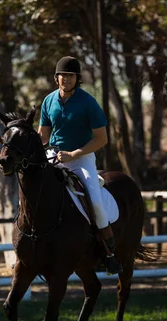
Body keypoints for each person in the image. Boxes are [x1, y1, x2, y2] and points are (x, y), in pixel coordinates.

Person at [38, 55, 122, 275]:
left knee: (95, 202)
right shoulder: (48, 101)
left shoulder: (88, 103)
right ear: (56, 78)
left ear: (77, 78)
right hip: (53, 157)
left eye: (70, 75)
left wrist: (74, 153)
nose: (65, 79)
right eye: (62, 75)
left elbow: (101, 139)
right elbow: (43, 136)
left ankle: (109, 254)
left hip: (82, 158)